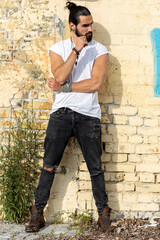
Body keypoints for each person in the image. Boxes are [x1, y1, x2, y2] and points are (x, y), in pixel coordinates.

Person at [25, 1, 111, 233]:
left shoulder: (100, 50)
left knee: (95, 168)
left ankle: (103, 214)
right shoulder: (58, 48)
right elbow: (59, 76)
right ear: (72, 26)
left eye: (91, 24)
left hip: (88, 115)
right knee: (48, 166)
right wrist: (76, 51)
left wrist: (64, 89)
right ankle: (37, 214)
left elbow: (95, 83)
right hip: (61, 115)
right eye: (85, 26)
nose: (89, 29)